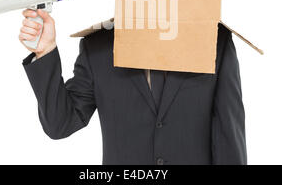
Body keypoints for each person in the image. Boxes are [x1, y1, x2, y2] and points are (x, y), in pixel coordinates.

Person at [19, 9, 247, 165]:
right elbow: (60, 123)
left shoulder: (214, 41)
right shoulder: (99, 46)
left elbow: (229, 137)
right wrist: (45, 50)